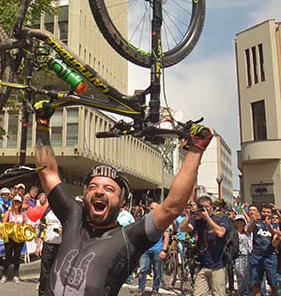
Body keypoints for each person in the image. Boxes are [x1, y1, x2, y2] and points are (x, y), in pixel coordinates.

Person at [33, 101, 213, 296]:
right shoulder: (73, 218)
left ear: (122, 203)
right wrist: (42, 126)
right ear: (85, 196)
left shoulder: (130, 238)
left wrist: (196, 150)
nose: (99, 191)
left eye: (109, 189)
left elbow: (171, 207)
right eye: (93, 187)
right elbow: (48, 173)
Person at [180, 195, 228, 296]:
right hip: (203, 265)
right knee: (198, 293)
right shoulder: (197, 221)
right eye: (202, 207)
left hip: (217, 266)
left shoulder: (219, 220)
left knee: (218, 294)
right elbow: (183, 228)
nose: (205, 209)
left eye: (207, 207)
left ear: (212, 208)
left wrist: (207, 218)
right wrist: (189, 216)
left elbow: (220, 233)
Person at [136, 201, 170, 296]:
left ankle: (155, 290)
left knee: (157, 271)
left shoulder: (162, 220)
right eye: (151, 208)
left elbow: (166, 236)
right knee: (143, 269)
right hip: (145, 249)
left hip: (157, 250)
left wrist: (164, 250)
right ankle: (140, 289)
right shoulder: (145, 218)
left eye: (155, 208)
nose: (153, 210)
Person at [247, 203, 278, 296]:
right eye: (264, 212)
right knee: (256, 283)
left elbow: (275, 239)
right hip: (256, 255)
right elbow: (248, 231)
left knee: (273, 284)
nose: (266, 214)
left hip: (270, 256)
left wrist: (269, 225)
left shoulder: (275, 225)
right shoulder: (257, 223)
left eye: (268, 212)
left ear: (272, 214)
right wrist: (253, 219)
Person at [36, 204, 62, 296]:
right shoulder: (47, 213)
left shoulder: (64, 213)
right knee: (45, 272)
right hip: (48, 246)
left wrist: (63, 231)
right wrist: (38, 246)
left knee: (57, 272)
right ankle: (42, 293)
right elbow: (41, 229)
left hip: (60, 246)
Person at [1, 195, 26, 284]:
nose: (16, 204)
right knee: (8, 256)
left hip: (19, 239)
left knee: (17, 257)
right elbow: (3, 224)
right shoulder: (9, 213)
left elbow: (24, 226)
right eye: (15, 202)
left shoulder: (22, 214)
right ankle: (4, 274)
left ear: (20, 204)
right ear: (12, 203)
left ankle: (16, 275)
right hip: (10, 238)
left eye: (18, 202)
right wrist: (9, 225)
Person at [233, 214, 252, 296]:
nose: (239, 223)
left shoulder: (247, 233)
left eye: (241, 221)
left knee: (248, 278)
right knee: (240, 276)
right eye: (237, 221)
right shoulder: (233, 234)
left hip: (248, 256)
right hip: (238, 257)